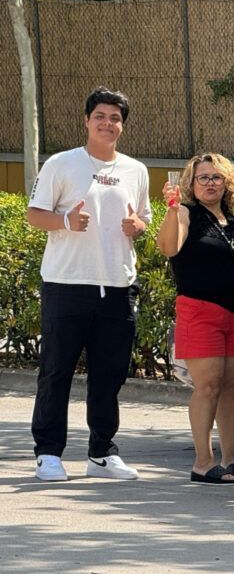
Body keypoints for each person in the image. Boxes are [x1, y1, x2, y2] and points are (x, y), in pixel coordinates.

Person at [26, 87, 151, 482]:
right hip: (67, 283)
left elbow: (142, 218)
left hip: (117, 285)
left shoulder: (136, 170)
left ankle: (101, 453)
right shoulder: (61, 164)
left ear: (122, 126)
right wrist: (65, 222)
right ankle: (48, 453)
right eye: (100, 116)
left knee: (109, 374)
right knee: (56, 371)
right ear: (86, 120)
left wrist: (138, 227)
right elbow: (33, 214)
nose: (107, 124)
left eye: (115, 118)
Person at [156, 153, 234, 484]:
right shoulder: (184, 213)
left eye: (216, 177)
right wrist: (171, 209)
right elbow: (168, 247)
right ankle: (202, 461)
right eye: (203, 177)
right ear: (191, 183)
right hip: (200, 311)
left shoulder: (230, 220)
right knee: (208, 386)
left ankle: (228, 459)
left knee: (230, 387)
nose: (210, 183)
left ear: (227, 183)